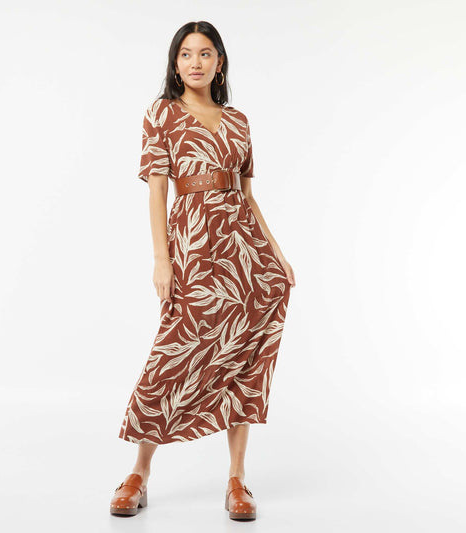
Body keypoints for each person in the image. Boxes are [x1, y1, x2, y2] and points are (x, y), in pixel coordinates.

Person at [111, 20, 296, 520]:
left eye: (205, 53)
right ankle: (139, 472)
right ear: (175, 64)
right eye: (186, 54)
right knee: (173, 353)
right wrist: (162, 259)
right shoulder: (162, 114)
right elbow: (157, 191)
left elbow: (247, 195)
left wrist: (276, 253)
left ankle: (237, 479)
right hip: (192, 245)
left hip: (244, 249)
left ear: (220, 62)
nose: (196, 62)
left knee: (244, 356)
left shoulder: (238, 121)